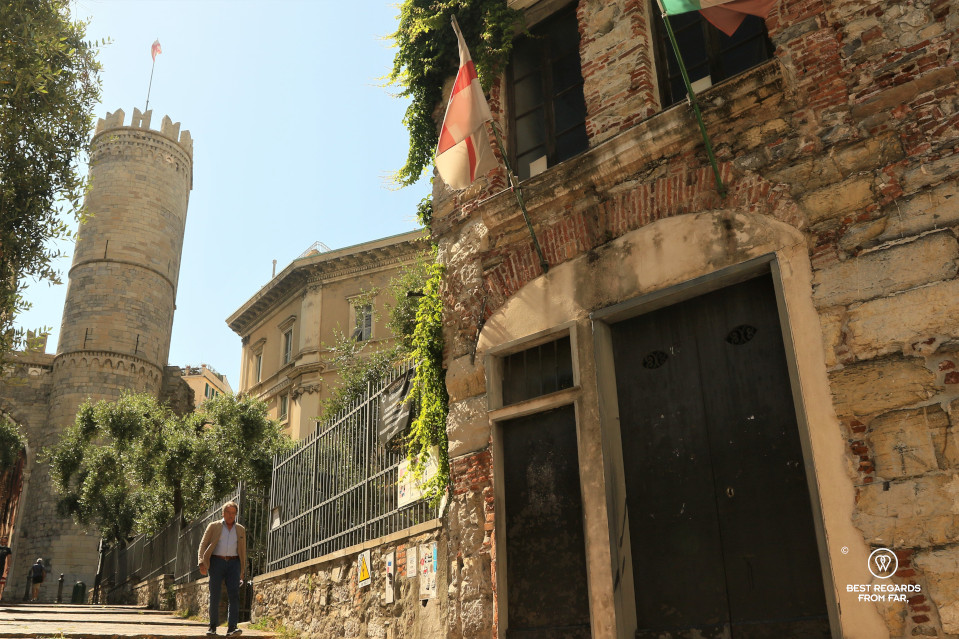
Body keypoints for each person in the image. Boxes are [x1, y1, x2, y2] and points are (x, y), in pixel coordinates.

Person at [197, 501, 246, 637]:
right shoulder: (214, 526)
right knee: (215, 594)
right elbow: (203, 544)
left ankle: (232, 627)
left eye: (233, 513)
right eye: (228, 512)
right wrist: (201, 562)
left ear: (236, 514)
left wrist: (242, 570)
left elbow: (242, 550)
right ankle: (212, 627)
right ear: (223, 513)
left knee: (234, 595)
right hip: (216, 562)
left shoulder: (240, 529)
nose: (230, 515)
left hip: (234, 563)